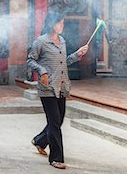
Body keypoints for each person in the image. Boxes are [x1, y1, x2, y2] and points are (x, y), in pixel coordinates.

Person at [27, 10, 88, 170]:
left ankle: (39, 140)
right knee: (54, 122)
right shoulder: (40, 42)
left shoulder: (62, 41)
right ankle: (56, 158)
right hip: (47, 88)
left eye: (63, 23)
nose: (62, 25)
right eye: (59, 23)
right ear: (51, 24)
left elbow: (64, 62)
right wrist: (42, 71)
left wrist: (77, 55)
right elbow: (30, 60)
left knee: (58, 120)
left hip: (61, 86)